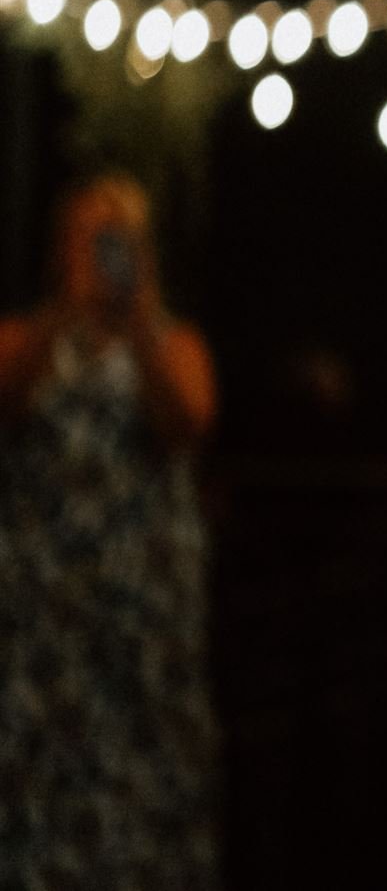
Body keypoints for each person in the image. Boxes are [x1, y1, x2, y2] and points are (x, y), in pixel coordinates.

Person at [0, 174, 220, 891]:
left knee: (149, 794)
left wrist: (136, 317)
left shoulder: (174, 342)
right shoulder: (25, 335)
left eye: (119, 239)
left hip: (143, 619)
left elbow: (187, 421)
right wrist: (70, 309)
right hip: (45, 619)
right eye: (92, 238)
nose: (105, 254)